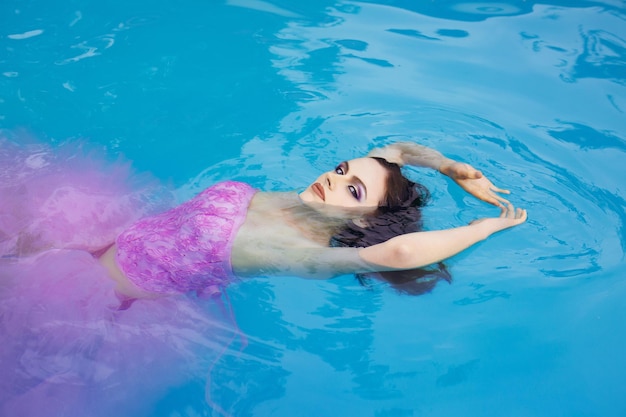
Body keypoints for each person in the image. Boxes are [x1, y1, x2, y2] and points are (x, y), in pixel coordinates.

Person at [95, 141, 527, 299]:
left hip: (110, 292)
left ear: (361, 222)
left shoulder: (302, 255)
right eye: (342, 170)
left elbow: (403, 250)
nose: (332, 179)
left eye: (353, 190)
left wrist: (485, 227)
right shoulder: (308, 200)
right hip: (109, 241)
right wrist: (450, 166)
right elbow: (399, 150)